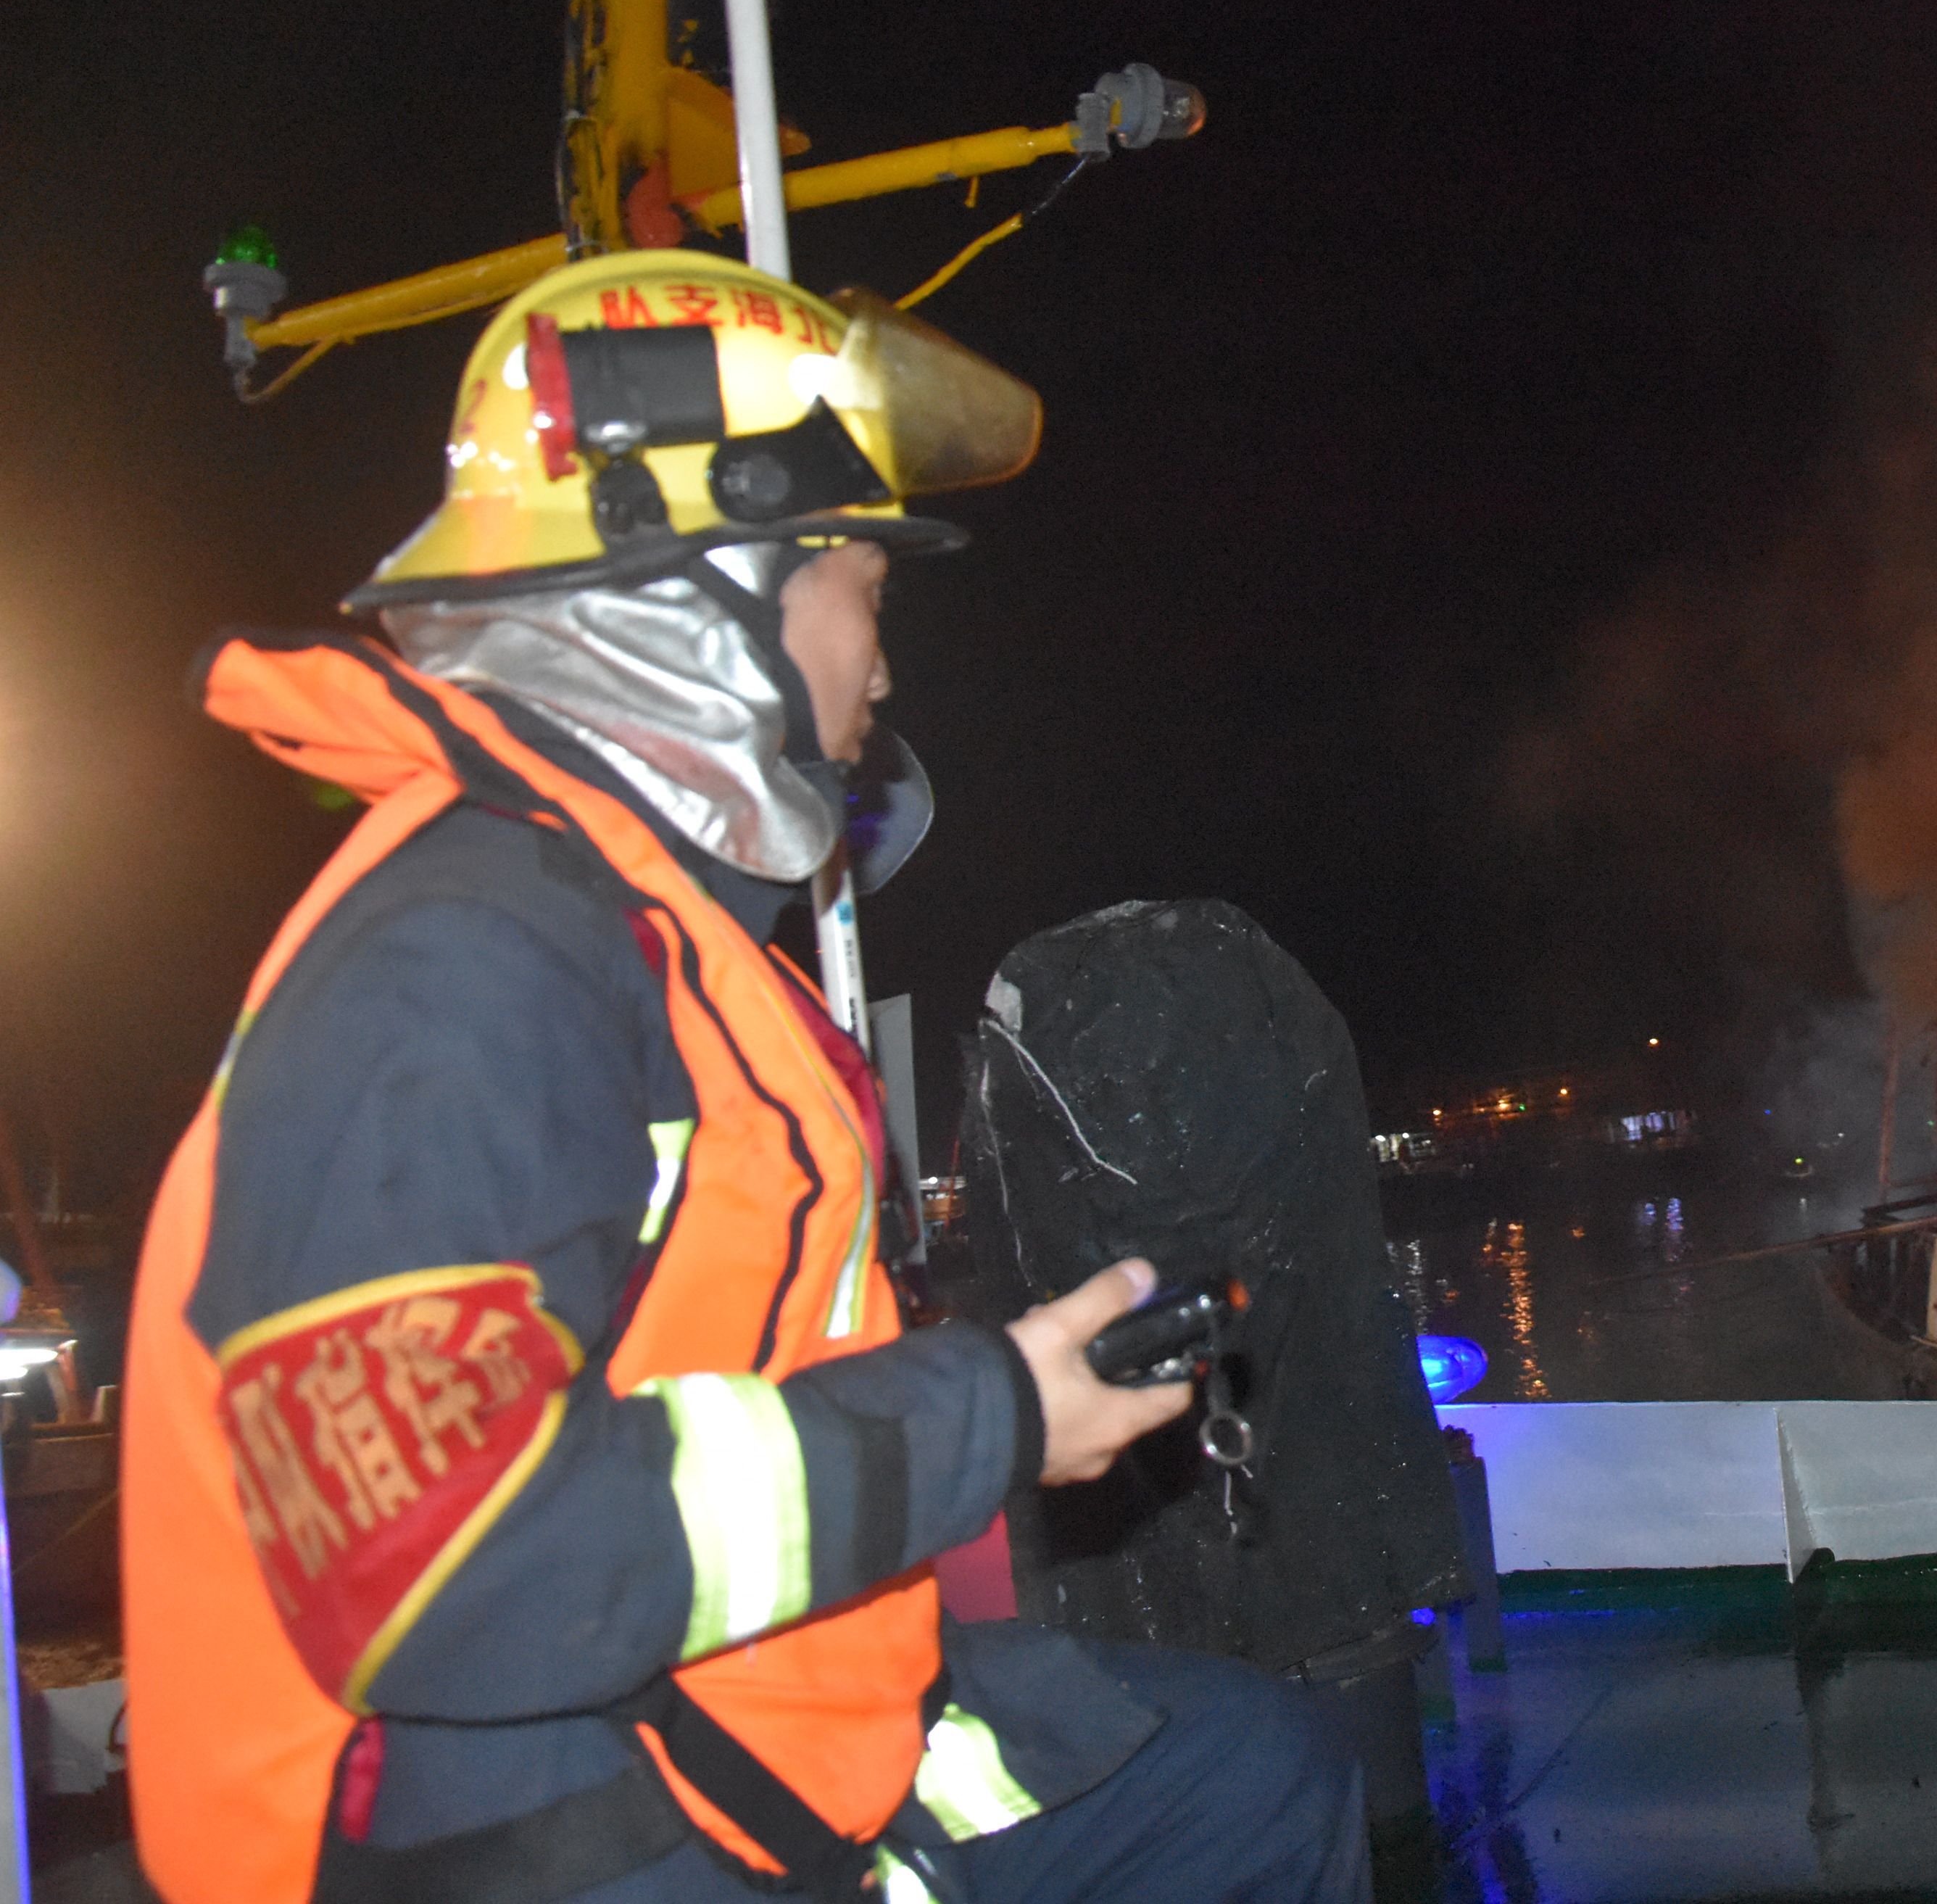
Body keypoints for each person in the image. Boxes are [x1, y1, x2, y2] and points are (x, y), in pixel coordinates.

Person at [121, 252, 1366, 1904]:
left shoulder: (639, 934)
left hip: (708, 1718)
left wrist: (1003, 1386)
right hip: (489, 1824)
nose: (884, 665)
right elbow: (439, 1574)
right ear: (702, 595)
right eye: (864, 584)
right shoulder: (464, 961)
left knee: (1249, 1780)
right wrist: (988, 1413)